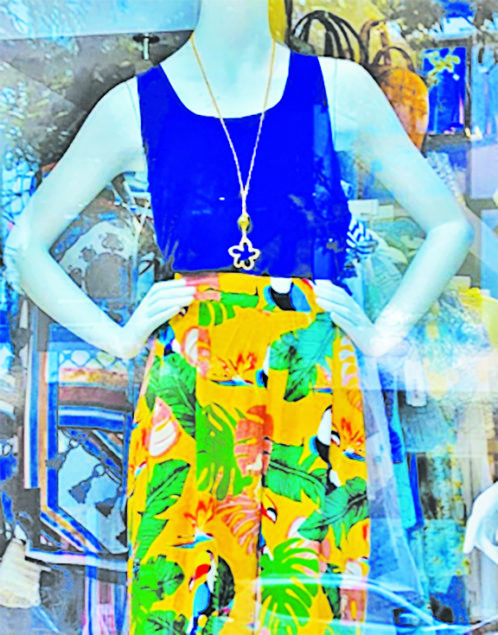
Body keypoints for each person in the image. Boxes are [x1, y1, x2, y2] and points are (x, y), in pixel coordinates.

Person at [10, 0, 496, 631]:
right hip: (195, 380)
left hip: (307, 381)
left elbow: (449, 227)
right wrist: (119, 338)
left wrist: (383, 335)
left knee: (305, 589)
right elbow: (25, 246)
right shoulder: (136, 106)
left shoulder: (339, 89)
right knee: (185, 585)